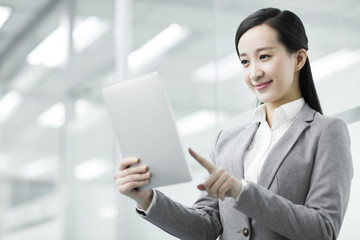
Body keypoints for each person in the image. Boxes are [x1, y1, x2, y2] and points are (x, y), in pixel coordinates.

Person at [113, 8, 353, 240]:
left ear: (299, 58)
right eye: (245, 62)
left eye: (264, 57)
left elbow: (324, 229)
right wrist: (147, 199)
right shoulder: (227, 141)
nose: (254, 73)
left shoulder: (326, 132)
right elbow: (205, 228)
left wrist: (242, 192)